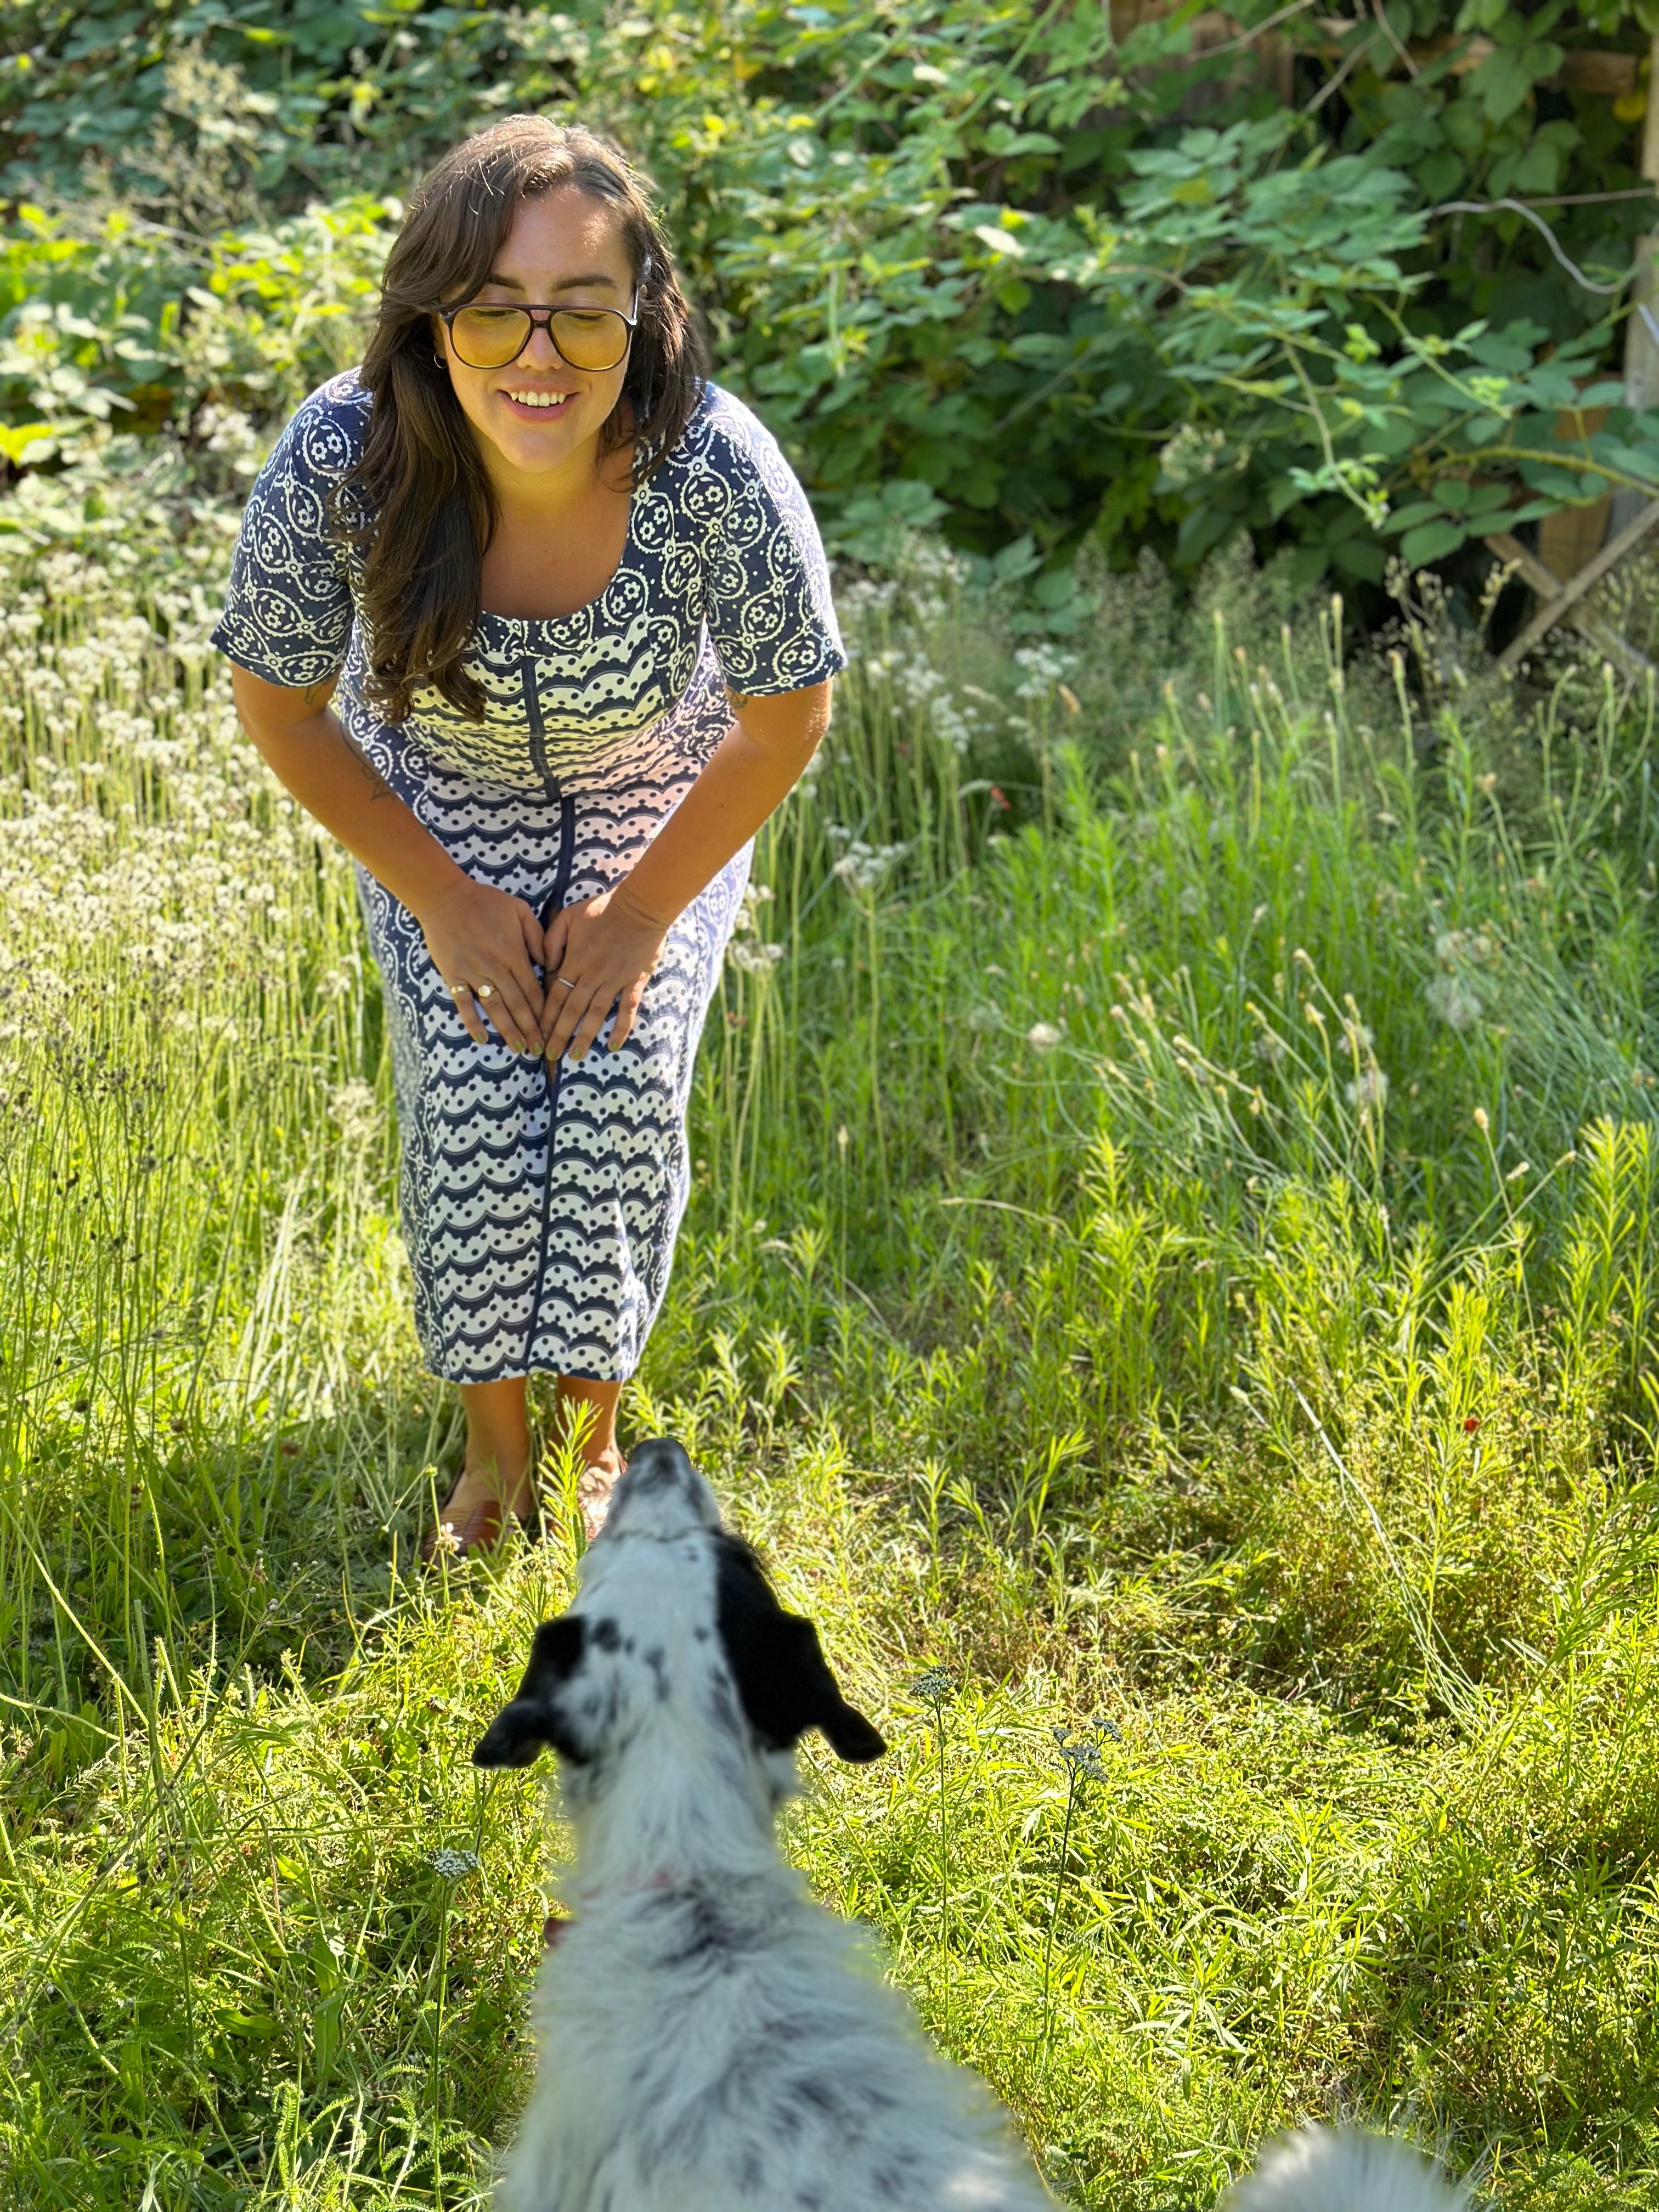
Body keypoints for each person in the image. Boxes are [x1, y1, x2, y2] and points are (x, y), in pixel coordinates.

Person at [212, 115, 843, 1556]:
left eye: (579, 310)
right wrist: (439, 898)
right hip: (437, 794)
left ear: (645, 317)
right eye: (494, 311)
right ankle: (497, 1455)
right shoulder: (341, 461)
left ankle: (594, 1435)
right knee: (476, 1094)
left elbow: (784, 715)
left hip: (659, 791)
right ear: (434, 321)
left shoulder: (711, 466)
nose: (537, 355)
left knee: (615, 1083)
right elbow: (282, 704)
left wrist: (635, 920)